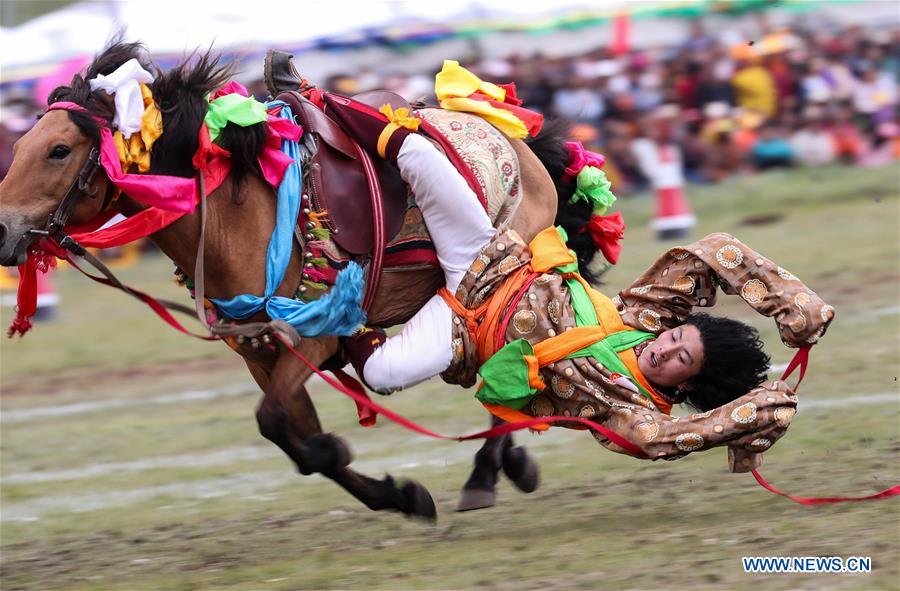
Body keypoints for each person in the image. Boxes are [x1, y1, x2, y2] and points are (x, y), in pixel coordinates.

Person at [322, 65, 834, 473]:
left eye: (681, 359)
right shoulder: (647, 320)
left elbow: (667, 439)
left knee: (384, 374)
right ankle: (317, 102)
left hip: (463, 332)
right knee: (421, 158)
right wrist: (794, 304)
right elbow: (712, 251)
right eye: (678, 337)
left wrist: (758, 415)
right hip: (490, 264)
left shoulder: (632, 410)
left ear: (688, 389)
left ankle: (334, 316)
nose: (665, 347)